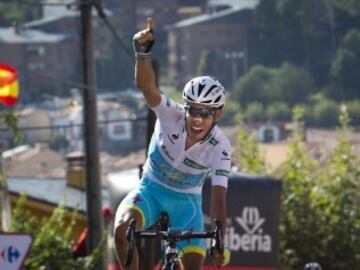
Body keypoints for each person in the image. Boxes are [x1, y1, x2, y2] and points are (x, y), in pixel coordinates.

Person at [114, 17, 231, 270]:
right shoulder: (172, 115)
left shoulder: (220, 146)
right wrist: (142, 55)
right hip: (150, 191)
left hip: (186, 207)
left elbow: (219, 202)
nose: (197, 120)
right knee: (123, 233)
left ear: (218, 115)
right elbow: (148, 89)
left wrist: (219, 243)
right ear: (186, 108)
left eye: (206, 113)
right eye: (194, 111)